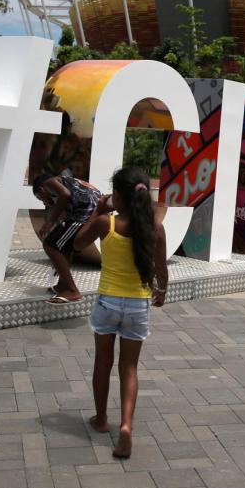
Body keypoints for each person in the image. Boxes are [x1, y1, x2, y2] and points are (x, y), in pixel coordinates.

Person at [73, 166, 168, 459]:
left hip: (108, 303)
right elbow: (161, 268)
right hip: (138, 305)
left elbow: (77, 244)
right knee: (129, 368)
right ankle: (126, 426)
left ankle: (101, 420)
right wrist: (161, 291)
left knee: (103, 362)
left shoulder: (106, 224)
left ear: (119, 197)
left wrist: (97, 211)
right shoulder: (155, 227)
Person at [32, 173, 102, 303]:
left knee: (50, 244)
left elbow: (65, 194)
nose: (44, 202)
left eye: (40, 198)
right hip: (96, 210)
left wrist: (50, 222)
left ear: (41, 189)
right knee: (64, 245)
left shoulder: (49, 182)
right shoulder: (69, 181)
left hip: (84, 213)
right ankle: (62, 285)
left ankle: (71, 290)